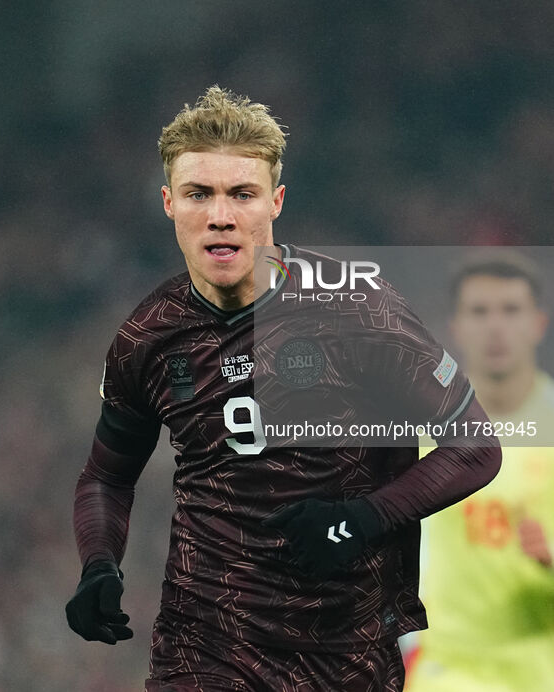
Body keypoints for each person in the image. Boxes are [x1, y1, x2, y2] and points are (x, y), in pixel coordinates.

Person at [65, 86, 501, 691]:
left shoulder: (357, 310)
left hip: (344, 653)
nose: (221, 215)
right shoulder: (148, 335)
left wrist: (360, 518)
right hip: (202, 649)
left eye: (242, 194)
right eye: (199, 194)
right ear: (169, 203)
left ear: (276, 201)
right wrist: (98, 564)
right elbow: (107, 477)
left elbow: (476, 447)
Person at [404, 253, 554, 692]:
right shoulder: (420, 425)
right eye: (479, 312)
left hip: (542, 660)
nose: (495, 327)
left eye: (510, 311)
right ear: (456, 327)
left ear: (538, 323)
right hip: (449, 666)